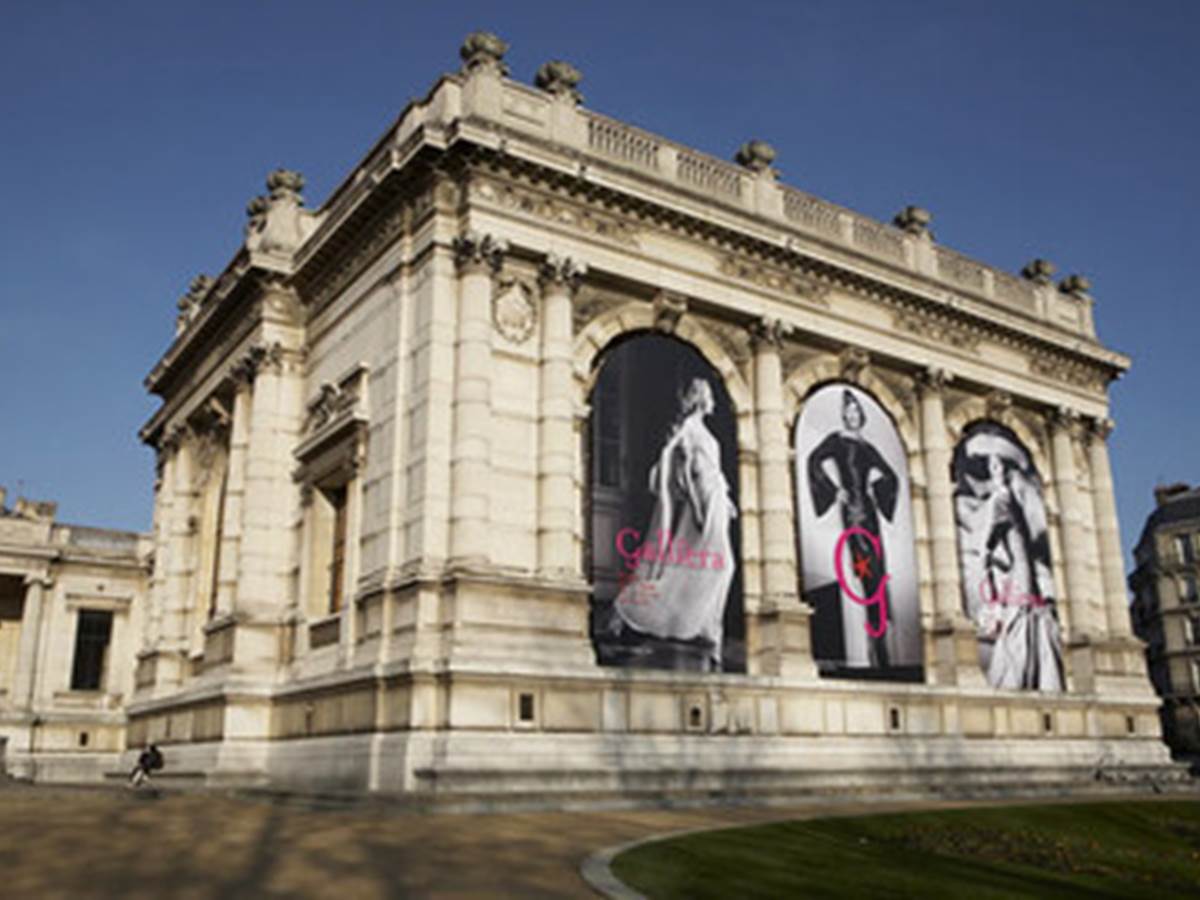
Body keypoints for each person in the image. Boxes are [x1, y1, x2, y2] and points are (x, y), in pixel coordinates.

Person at [608, 377, 738, 669]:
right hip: (704, 499)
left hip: (716, 496)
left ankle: (709, 629)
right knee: (714, 565)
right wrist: (697, 505)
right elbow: (684, 472)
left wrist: (726, 500)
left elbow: (715, 470)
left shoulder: (702, 429)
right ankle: (639, 609)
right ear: (701, 398)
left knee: (719, 566)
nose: (713, 400)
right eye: (709, 395)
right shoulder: (689, 429)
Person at [955, 427, 1063, 691]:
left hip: (1021, 597)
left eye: (1002, 464)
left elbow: (1032, 539)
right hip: (1009, 597)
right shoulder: (973, 505)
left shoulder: (1013, 496)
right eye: (983, 465)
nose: (994, 470)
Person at [807, 389, 899, 668]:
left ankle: (878, 637)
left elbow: (891, 476)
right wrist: (835, 491)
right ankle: (874, 639)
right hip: (853, 512)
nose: (853, 416)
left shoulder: (868, 448)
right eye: (849, 413)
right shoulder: (836, 441)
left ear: (862, 415)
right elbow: (814, 461)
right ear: (844, 416)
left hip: (869, 511)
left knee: (876, 568)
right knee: (865, 569)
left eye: (857, 412)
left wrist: (875, 487)